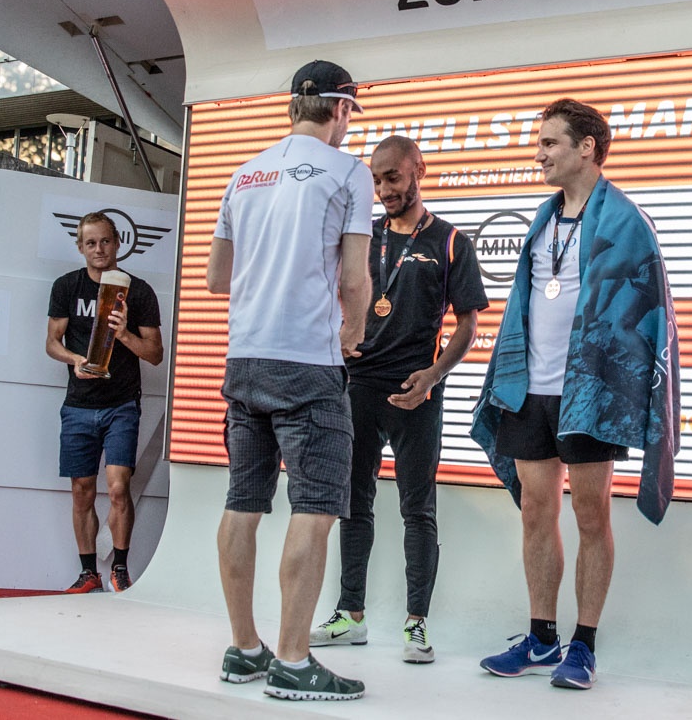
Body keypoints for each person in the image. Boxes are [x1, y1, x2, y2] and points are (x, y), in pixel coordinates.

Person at [471, 98, 680, 691]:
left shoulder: (627, 222)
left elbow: (650, 317)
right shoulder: (542, 220)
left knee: (591, 514)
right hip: (529, 389)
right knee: (536, 511)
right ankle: (541, 637)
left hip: (592, 392)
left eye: (549, 143)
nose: (538, 154)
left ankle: (583, 646)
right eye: (539, 143)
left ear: (586, 147)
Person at [207, 60, 373, 703]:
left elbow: (217, 278)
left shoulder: (243, 173)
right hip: (307, 362)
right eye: (350, 112)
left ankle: (245, 649)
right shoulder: (348, 172)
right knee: (316, 507)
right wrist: (352, 332)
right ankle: (295, 661)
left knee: (242, 502)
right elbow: (354, 277)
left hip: (244, 358)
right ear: (340, 108)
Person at [310, 135, 488, 664]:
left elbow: (468, 325)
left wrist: (433, 375)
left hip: (417, 391)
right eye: (376, 179)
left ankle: (416, 624)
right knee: (353, 503)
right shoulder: (363, 238)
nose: (384, 189)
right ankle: (351, 615)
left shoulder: (451, 242)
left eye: (393, 177)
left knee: (418, 509)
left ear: (418, 171)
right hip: (359, 386)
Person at [46, 211, 164, 594]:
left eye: (105, 241)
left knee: (117, 488)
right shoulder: (66, 286)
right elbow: (52, 343)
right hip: (78, 404)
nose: (99, 249)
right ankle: (88, 573)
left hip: (121, 404)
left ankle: (119, 568)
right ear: (81, 247)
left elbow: (155, 354)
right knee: (82, 488)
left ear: (117, 244)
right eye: (91, 243)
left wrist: (124, 333)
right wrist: (74, 360)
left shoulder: (138, 291)